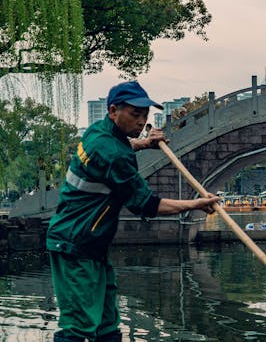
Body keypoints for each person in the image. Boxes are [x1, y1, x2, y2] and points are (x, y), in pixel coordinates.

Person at [46, 81, 219, 342]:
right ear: (114, 111)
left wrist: (144, 143)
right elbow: (147, 204)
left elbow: (119, 146)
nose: (141, 121)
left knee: (107, 326)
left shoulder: (97, 132)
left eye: (145, 115)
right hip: (75, 245)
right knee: (78, 329)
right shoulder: (114, 154)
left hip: (92, 244)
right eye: (135, 114)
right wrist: (195, 204)